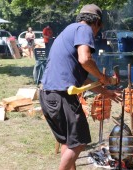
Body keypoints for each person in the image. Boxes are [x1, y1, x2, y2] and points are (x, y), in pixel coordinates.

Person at [39, 4, 122, 170]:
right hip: (62, 95)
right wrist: (103, 77)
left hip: (47, 94)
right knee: (79, 142)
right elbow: (85, 60)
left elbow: (84, 81)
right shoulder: (84, 30)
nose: (96, 33)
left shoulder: (68, 31)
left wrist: (106, 92)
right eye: (99, 28)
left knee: (68, 141)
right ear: (96, 22)